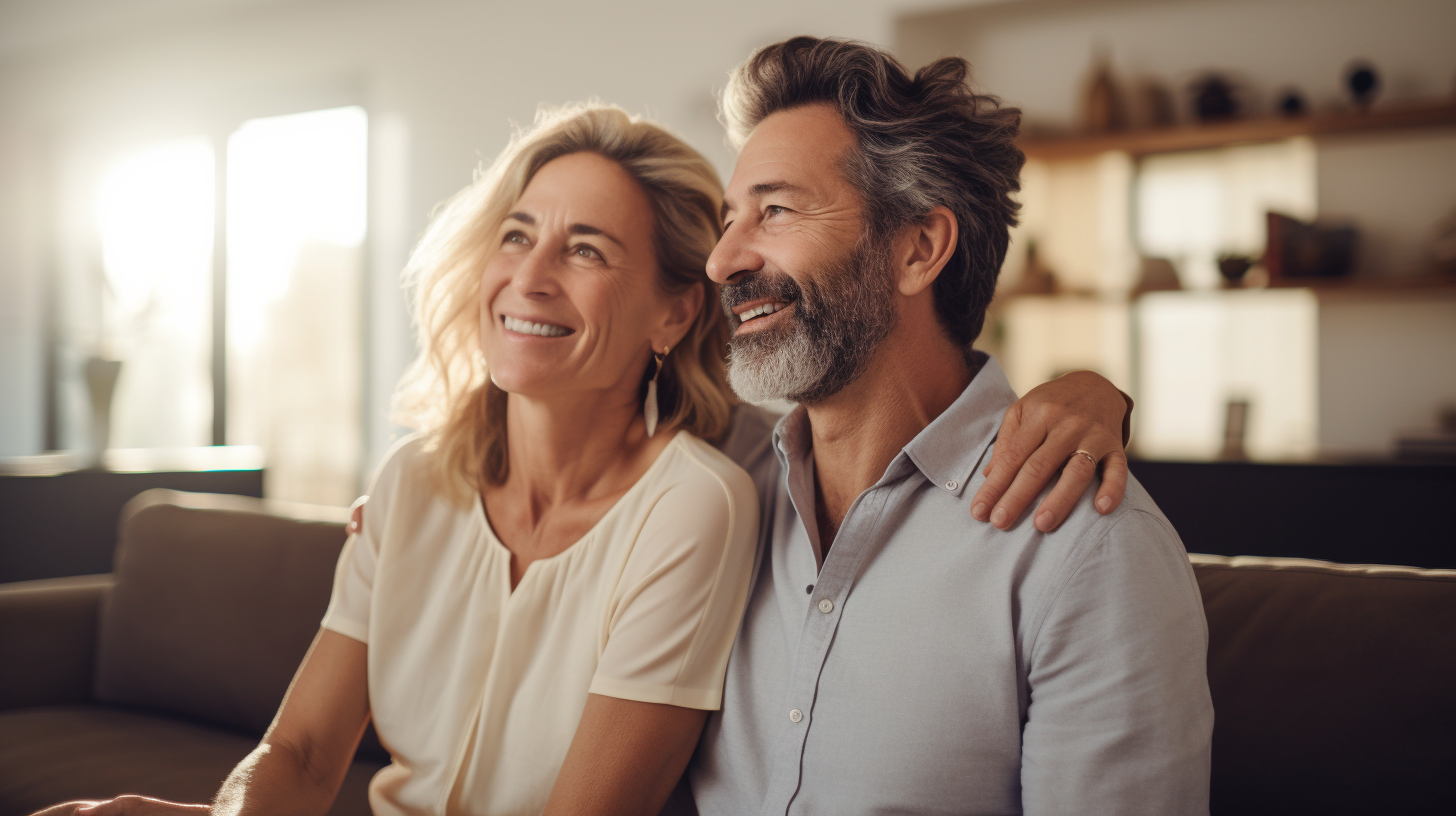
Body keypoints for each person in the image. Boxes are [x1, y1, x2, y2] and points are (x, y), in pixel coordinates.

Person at [36, 92, 1135, 816]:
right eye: (516, 234)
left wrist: (1087, 393)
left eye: (588, 249)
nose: (531, 276)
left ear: (670, 316)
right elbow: (304, 755)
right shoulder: (420, 483)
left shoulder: (708, 501)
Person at [686, 36, 1214, 816]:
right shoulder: (718, 489)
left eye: (775, 209)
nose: (722, 260)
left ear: (919, 248)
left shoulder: (1092, 551)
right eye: (731, 219)